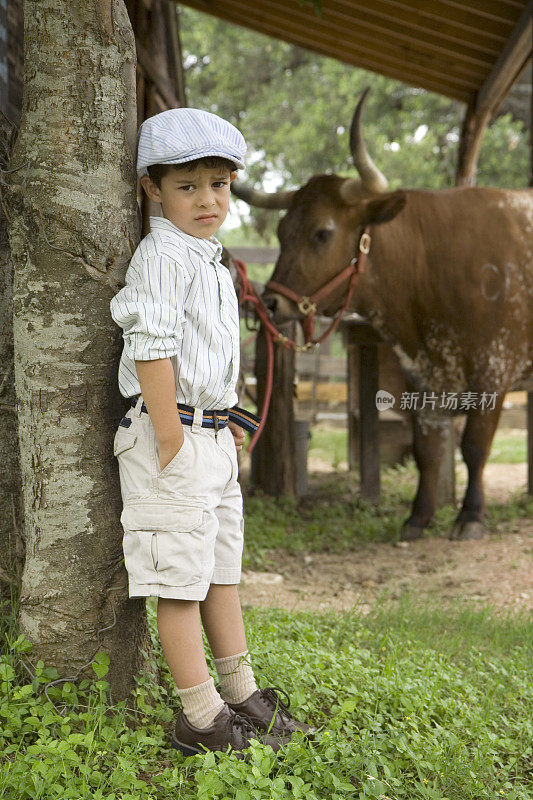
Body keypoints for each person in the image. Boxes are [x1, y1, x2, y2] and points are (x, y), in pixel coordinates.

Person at [110, 108, 312, 756]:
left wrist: (227, 430)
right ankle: (201, 719)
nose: (207, 199)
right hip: (171, 441)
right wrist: (172, 442)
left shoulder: (211, 261)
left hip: (209, 440)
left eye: (218, 184)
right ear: (153, 189)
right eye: (187, 185)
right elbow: (151, 348)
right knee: (177, 585)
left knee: (218, 574)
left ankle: (240, 693)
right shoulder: (161, 256)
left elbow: (212, 359)